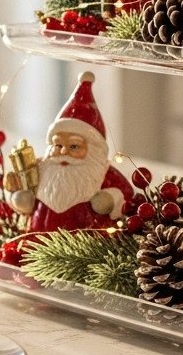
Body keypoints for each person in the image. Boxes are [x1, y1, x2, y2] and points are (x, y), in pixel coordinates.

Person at [10, 72, 133, 235]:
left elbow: (127, 194)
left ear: (93, 150)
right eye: (58, 145)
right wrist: (21, 200)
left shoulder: (102, 173)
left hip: (89, 242)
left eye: (74, 146)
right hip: (37, 240)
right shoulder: (39, 169)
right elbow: (18, 189)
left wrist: (110, 198)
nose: (63, 152)